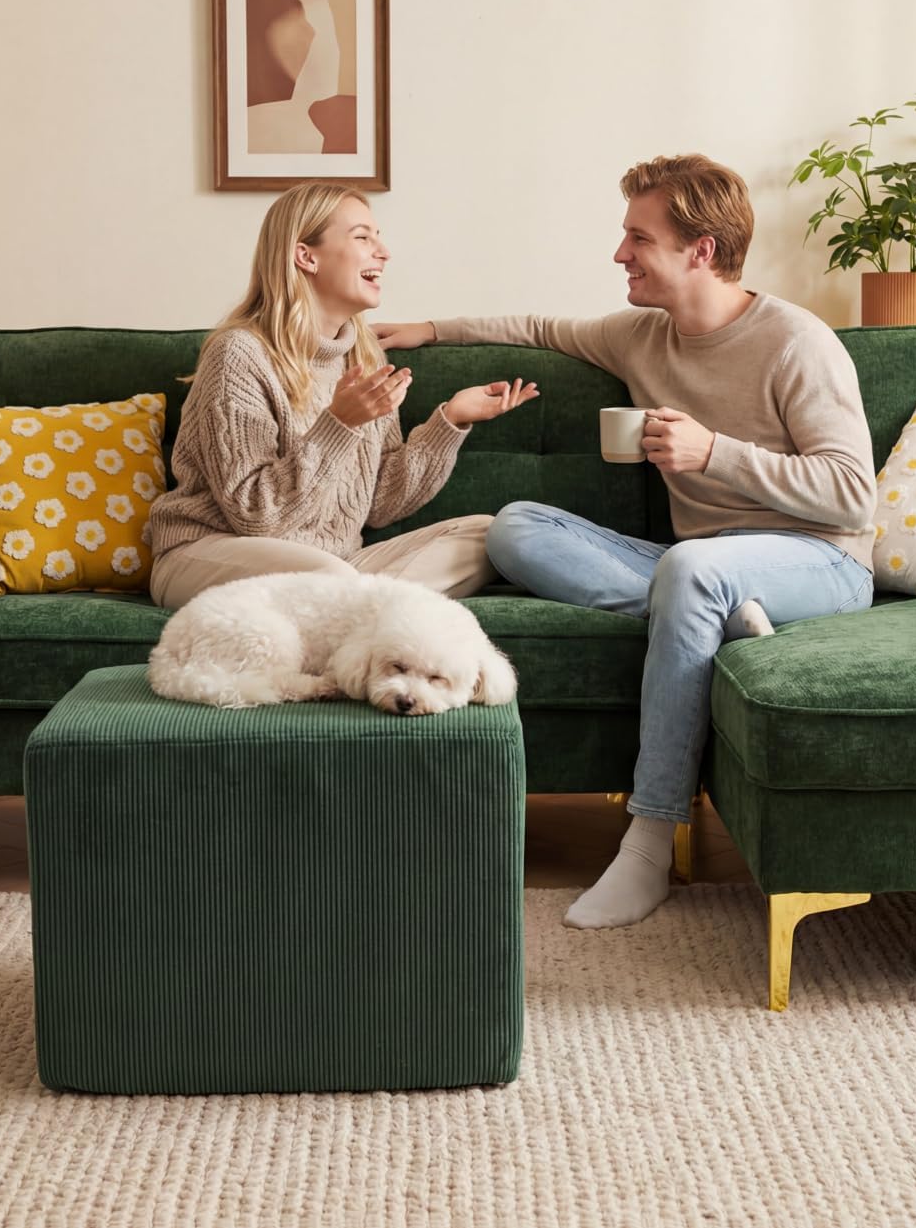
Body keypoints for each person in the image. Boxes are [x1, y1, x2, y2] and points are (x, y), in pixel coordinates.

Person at [375, 154, 876, 930]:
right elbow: (538, 328)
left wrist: (715, 454)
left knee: (693, 569)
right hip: (699, 568)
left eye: (638, 238)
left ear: (700, 250)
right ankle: (711, 616)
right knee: (515, 527)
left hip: (819, 560)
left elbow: (851, 494)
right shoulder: (642, 336)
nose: (619, 254)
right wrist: (432, 330)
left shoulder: (795, 342)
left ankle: (647, 844)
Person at [145, 181, 539, 611]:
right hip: (210, 555)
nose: (383, 252)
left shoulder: (363, 358)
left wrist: (450, 422)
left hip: (333, 566)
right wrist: (340, 424)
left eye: (378, 237)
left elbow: (378, 505)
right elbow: (255, 514)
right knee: (330, 579)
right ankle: (358, 611)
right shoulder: (240, 353)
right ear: (306, 256)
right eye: (363, 237)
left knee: (487, 535)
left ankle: (350, 611)